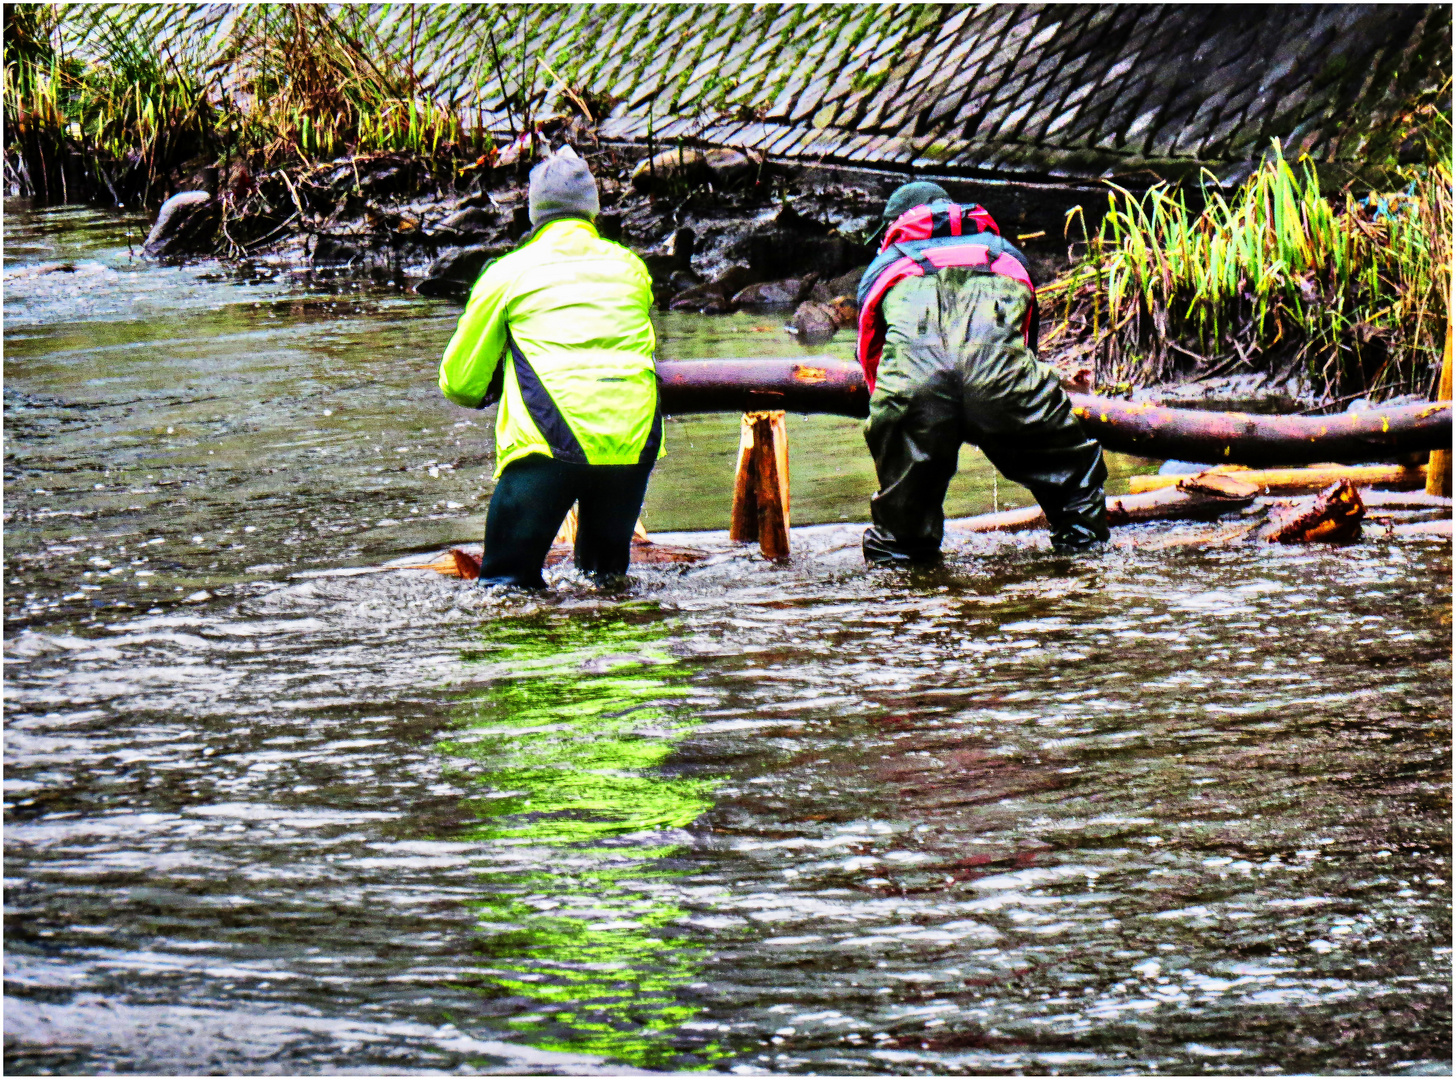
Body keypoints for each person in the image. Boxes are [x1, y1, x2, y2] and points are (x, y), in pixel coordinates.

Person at [439, 146, 660, 588]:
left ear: (534, 213)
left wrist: (496, 383)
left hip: (550, 438)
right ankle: (625, 655)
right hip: (633, 439)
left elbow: (460, 382)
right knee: (606, 582)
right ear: (593, 210)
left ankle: (534, 659)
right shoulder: (631, 268)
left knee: (504, 586)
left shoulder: (508, 272)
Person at [854, 180, 1108, 564]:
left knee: (902, 533)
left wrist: (913, 412)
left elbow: (871, 357)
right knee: (1074, 488)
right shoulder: (1005, 256)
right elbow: (1025, 342)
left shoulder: (885, 268)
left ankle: (903, 606)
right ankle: (1086, 577)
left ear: (895, 227)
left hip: (913, 391)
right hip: (1004, 384)